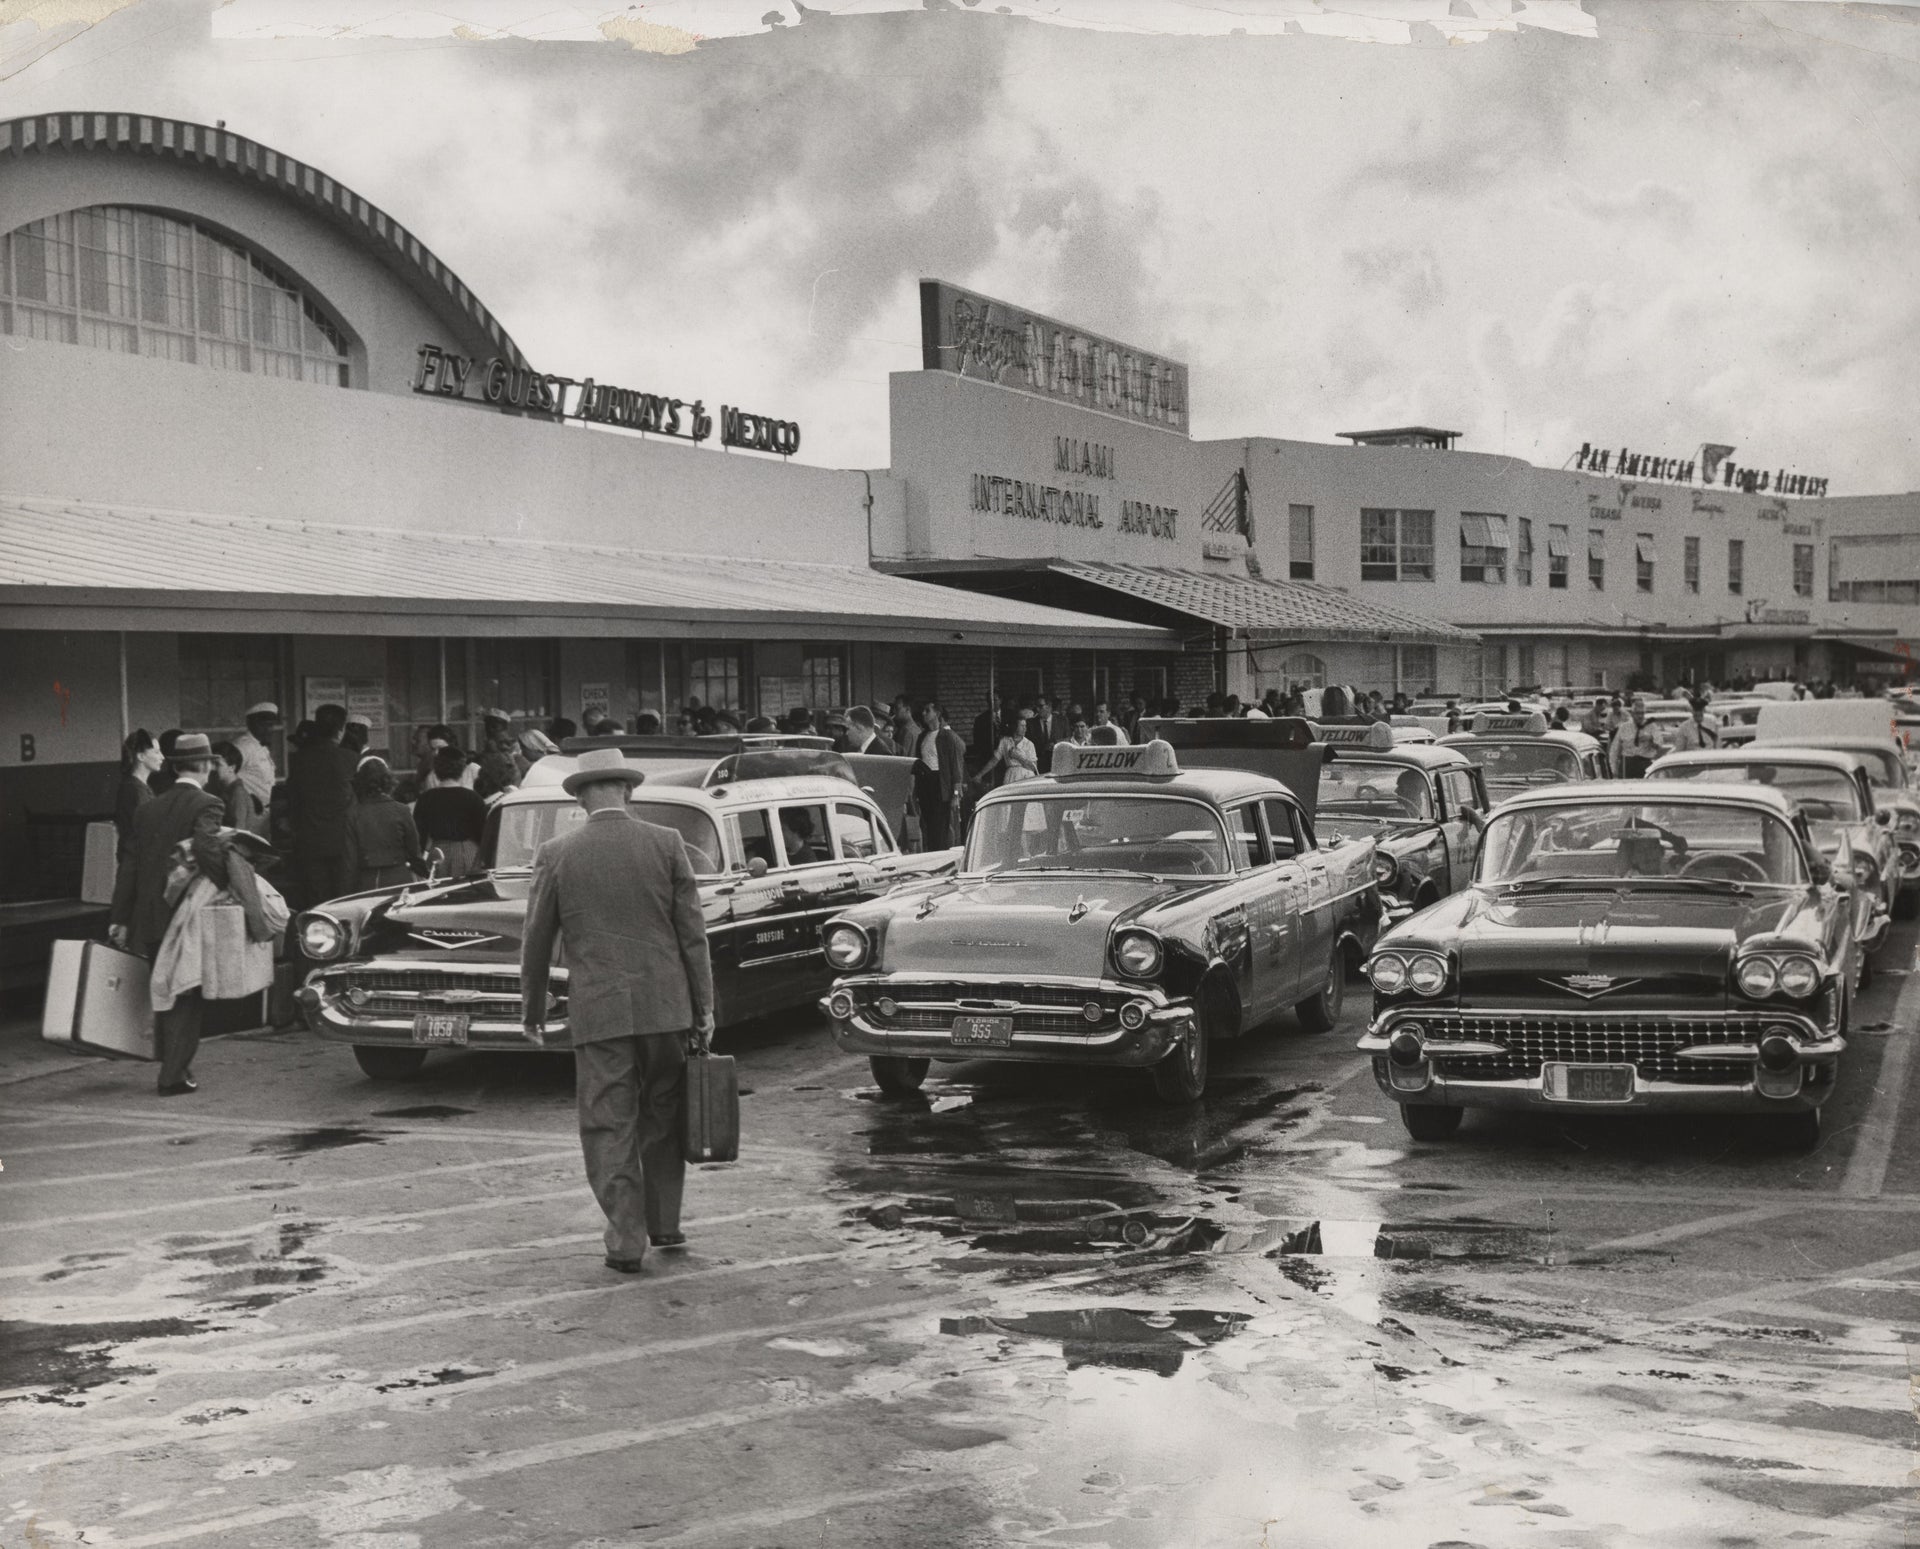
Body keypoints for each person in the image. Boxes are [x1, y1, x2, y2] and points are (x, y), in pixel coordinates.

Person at [520, 747, 715, 1274]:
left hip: (599, 1010)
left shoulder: (557, 852)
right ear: (627, 791)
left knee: (608, 1123)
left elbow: (536, 939)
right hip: (665, 1007)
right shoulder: (667, 843)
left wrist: (533, 1009)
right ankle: (665, 1221)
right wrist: (704, 1008)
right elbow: (692, 937)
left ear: (581, 798)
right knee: (663, 1115)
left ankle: (627, 1240)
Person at [109, 732, 231, 1096]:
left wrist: (119, 916)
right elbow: (208, 849)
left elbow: (129, 864)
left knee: (166, 989)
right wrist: (229, 881)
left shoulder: (147, 809)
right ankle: (173, 1075)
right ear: (207, 765)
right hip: (186, 915)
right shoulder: (209, 803)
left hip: (149, 915)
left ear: (176, 766)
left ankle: (173, 1064)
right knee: (186, 994)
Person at [287, 703, 357, 907]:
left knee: (316, 899)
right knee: (344, 899)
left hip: (310, 839)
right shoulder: (351, 759)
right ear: (341, 729)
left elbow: (293, 800)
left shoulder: (300, 760)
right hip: (344, 839)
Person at [344, 758, 427, 891]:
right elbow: (414, 852)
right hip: (399, 878)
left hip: (367, 880)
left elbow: (350, 860)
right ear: (388, 781)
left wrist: (347, 892)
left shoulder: (353, 814)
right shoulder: (402, 810)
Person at [413, 746, 489, 878]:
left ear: (436, 770)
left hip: (438, 853)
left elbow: (419, 838)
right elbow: (483, 834)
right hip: (469, 853)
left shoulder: (426, 799)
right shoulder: (473, 798)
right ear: (461, 770)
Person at [911, 701, 967, 851]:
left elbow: (956, 767)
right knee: (928, 824)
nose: (924, 713)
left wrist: (955, 794)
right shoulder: (922, 736)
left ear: (936, 713)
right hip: (925, 783)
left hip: (940, 784)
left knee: (940, 825)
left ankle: (940, 853)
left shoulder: (948, 736)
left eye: (927, 710)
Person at [114, 729, 164, 865]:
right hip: (137, 865)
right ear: (141, 756)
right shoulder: (134, 790)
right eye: (156, 752)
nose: (162, 757)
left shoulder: (140, 787)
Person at [210, 740, 267, 838]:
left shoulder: (237, 794)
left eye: (217, 764)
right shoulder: (226, 791)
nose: (212, 768)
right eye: (211, 764)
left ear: (231, 767)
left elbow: (238, 834)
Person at [231, 702, 281, 811]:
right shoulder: (243, 746)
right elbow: (226, 775)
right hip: (251, 811)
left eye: (270, 725)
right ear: (250, 724)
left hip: (266, 811)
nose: (268, 729)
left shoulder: (260, 745)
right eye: (263, 725)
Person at [975, 708, 1040, 789]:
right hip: (1011, 776)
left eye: (1025, 725)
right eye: (1022, 726)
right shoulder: (1005, 741)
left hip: (1026, 776)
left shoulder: (1029, 744)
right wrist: (980, 774)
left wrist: (1019, 757)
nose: (1025, 728)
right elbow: (994, 760)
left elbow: (1034, 767)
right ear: (1015, 726)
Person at [1611, 697, 1664, 778]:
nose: (1640, 716)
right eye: (1637, 713)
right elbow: (1614, 750)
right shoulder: (1624, 727)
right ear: (1632, 713)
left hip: (1645, 763)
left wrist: (1651, 739)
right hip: (1628, 764)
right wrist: (1614, 770)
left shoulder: (1652, 726)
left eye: (1642, 713)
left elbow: (1659, 746)